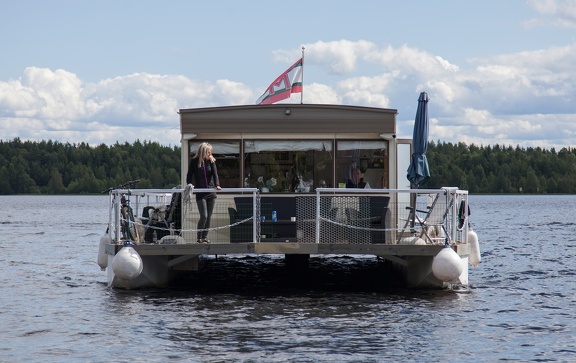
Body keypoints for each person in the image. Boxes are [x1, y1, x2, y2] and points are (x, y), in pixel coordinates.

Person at [186, 142, 221, 243]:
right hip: (200, 192)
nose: (210, 154)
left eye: (210, 152)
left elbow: (215, 174)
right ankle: (199, 237)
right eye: (208, 152)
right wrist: (189, 184)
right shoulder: (194, 162)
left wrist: (217, 185)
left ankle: (204, 237)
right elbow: (189, 175)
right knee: (204, 216)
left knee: (209, 216)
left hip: (211, 192)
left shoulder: (211, 161)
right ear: (203, 152)